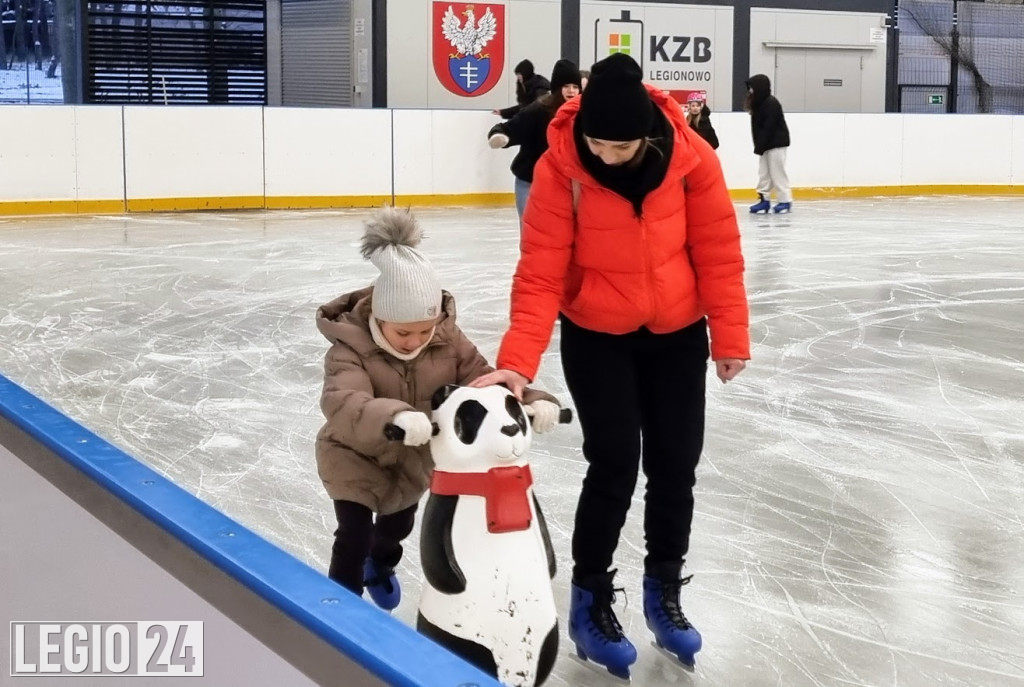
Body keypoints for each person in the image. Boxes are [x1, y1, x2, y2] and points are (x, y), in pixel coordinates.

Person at [471, 53, 749, 677]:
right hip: (597, 334)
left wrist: (730, 335)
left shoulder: (692, 160)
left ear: (647, 135)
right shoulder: (558, 168)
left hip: (679, 332)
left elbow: (718, 250)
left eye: (618, 146)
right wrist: (517, 362)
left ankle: (664, 593)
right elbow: (540, 273)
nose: (604, 154)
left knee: (676, 466)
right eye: (594, 141)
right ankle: (591, 602)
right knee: (615, 461)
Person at [315, 206, 561, 610]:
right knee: (354, 535)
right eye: (403, 332)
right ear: (380, 318)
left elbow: (484, 379)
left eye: (425, 330)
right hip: (354, 454)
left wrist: (533, 401)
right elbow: (343, 401)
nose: (415, 341)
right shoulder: (350, 347)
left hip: (414, 458)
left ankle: (381, 564)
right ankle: (341, 607)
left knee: (396, 527)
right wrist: (393, 415)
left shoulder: (448, 341)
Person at [487, 59, 583, 221]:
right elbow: (510, 128)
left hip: (565, 185)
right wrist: (501, 137)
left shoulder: (583, 113)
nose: (571, 91)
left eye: (575, 87)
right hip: (530, 181)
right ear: (556, 88)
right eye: (566, 86)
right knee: (531, 231)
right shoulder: (540, 110)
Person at [745, 74, 792, 214]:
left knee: (777, 172)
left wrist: (760, 146)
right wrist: (759, 145)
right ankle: (764, 200)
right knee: (763, 173)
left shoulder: (771, 103)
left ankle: (785, 200)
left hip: (776, 144)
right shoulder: (758, 103)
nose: (750, 91)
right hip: (765, 144)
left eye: (752, 88)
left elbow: (769, 127)